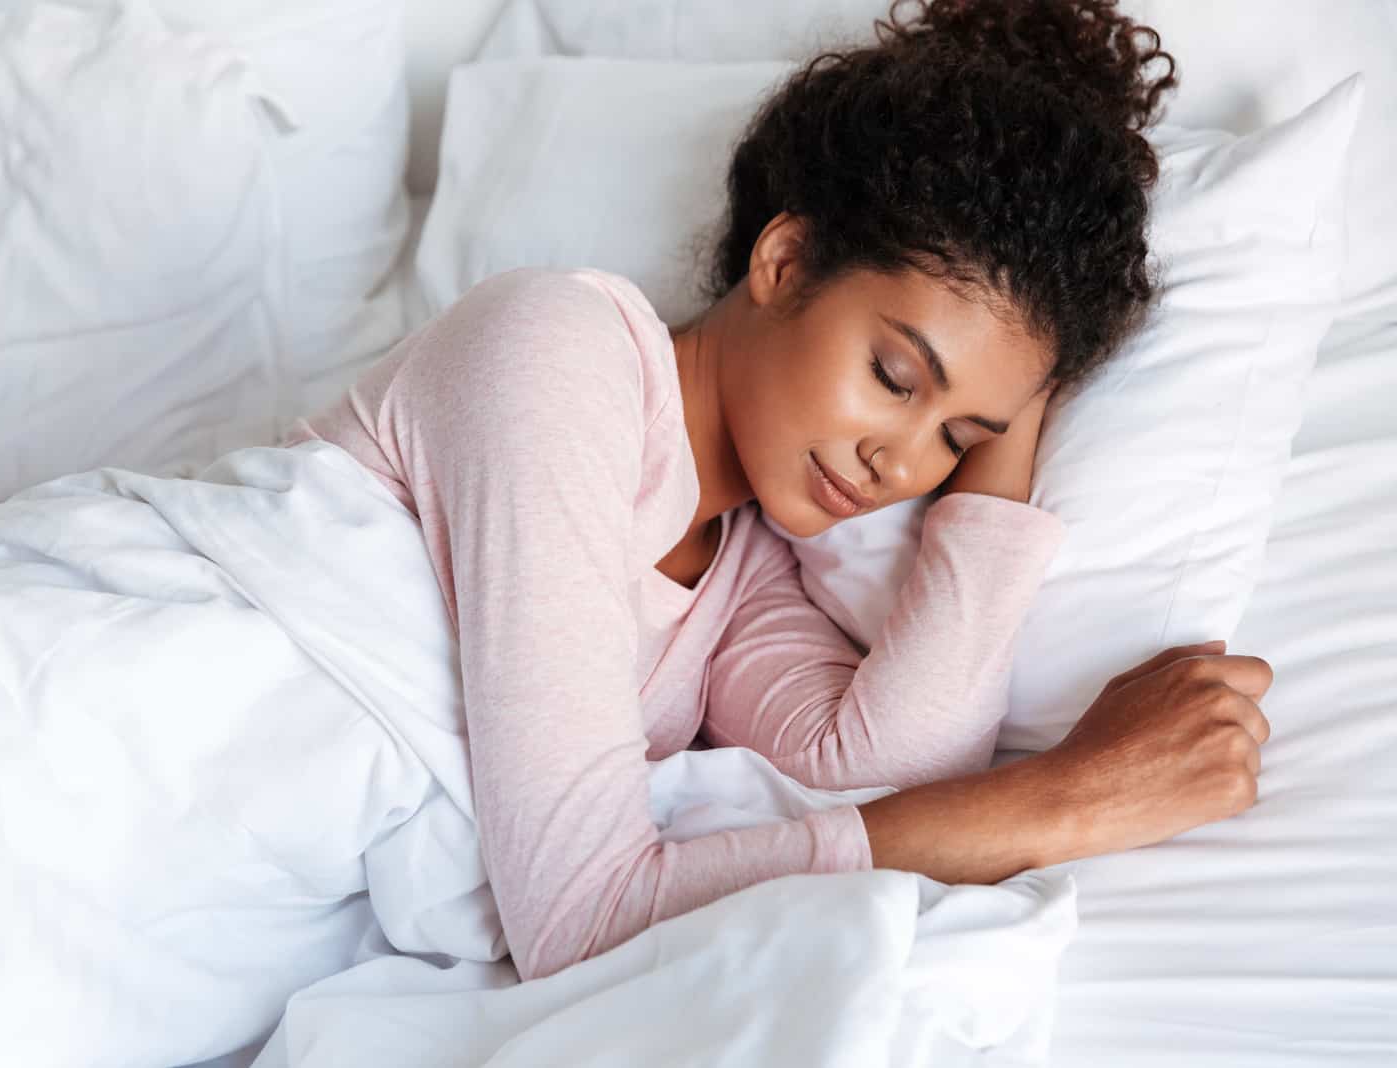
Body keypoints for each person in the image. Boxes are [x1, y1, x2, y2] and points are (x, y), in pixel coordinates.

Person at [282, 0, 1273, 981]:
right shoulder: (558, 351)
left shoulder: (744, 579)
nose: (902, 465)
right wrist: (1071, 798)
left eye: (957, 440)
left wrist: (1014, 417)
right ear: (784, 259)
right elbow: (578, 917)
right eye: (895, 378)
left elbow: (898, 770)